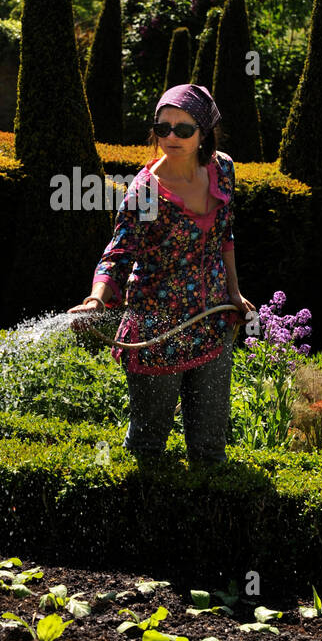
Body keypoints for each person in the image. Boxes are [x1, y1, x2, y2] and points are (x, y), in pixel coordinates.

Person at [68, 83, 255, 464]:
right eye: (162, 127)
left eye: (182, 129)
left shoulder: (222, 170)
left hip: (212, 321)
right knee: (147, 448)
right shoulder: (146, 191)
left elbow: (225, 235)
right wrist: (95, 300)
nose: (170, 136)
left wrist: (234, 295)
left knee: (210, 449)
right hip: (157, 330)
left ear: (204, 132)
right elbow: (119, 252)